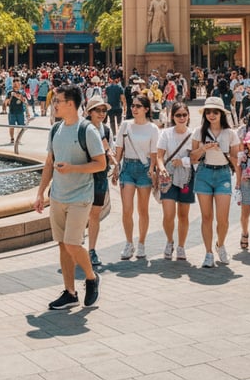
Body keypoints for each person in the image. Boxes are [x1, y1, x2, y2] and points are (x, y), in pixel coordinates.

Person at [34, 84, 105, 309]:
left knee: (73, 244)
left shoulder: (87, 130)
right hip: (58, 196)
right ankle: (70, 292)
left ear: (71, 104)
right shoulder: (55, 129)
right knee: (63, 245)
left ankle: (91, 278)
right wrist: (40, 193)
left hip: (80, 196)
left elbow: (100, 164)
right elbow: (48, 163)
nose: (54, 104)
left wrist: (73, 168)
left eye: (58, 101)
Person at [190, 96, 240, 267]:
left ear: (221, 114)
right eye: (208, 112)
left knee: (223, 219)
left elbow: (235, 159)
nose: (211, 115)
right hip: (204, 172)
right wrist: (204, 148)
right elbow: (192, 158)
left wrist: (223, 151)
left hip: (223, 174)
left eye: (215, 112)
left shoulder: (231, 133)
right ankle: (208, 252)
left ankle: (220, 244)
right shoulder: (199, 131)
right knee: (206, 217)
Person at [114, 90, 160, 259]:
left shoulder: (153, 128)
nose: (134, 108)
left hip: (144, 169)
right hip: (127, 168)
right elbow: (119, 149)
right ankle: (128, 243)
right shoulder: (125, 125)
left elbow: (154, 153)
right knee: (127, 209)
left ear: (146, 109)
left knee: (143, 210)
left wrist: (153, 170)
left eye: (138, 106)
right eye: (132, 105)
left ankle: (141, 243)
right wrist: (116, 167)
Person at [156, 101, 196, 260]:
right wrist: (162, 168)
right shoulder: (166, 133)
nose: (181, 118)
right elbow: (159, 156)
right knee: (168, 214)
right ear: (172, 116)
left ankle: (181, 246)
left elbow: (196, 159)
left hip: (186, 177)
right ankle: (170, 241)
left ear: (188, 116)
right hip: (168, 176)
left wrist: (184, 162)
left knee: (183, 215)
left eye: (184, 115)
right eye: (178, 115)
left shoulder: (193, 135)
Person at [84, 96, 116, 268]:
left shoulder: (106, 131)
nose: (102, 113)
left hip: (100, 177)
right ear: (89, 112)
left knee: (95, 214)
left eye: (104, 110)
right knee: (81, 211)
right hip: (83, 177)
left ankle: (92, 249)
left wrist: (111, 156)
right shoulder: (82, 129)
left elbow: (111, 156)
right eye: (98, 110)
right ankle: (77, 245)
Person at [6, 78, 27, 144]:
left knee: (22, 127)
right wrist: (11, 97)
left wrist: (27, 112)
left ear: (20, 85)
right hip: (12, 112)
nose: (16, 86)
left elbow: (25, 101)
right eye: (14, 84)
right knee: (11, 126)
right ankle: (12, 138)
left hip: (20, 112)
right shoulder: (9, 93)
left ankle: (18, 138)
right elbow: (7, 103)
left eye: (17, 84)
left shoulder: (22, 92)